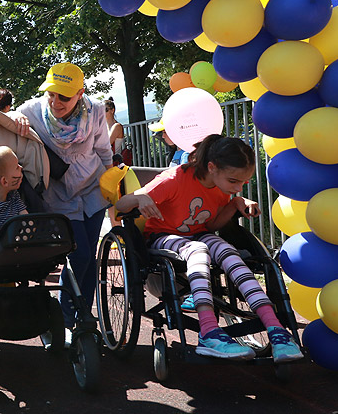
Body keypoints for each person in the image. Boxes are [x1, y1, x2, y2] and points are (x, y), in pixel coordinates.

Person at [114, 135, 303, 363]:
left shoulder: (221, 185)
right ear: (212, 167)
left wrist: (235, 203)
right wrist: (142, 197)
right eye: (234, 181)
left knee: (228, 252)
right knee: (198, 250)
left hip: (199, 235)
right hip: (162, 236)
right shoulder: (174, 179)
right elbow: (120, 205)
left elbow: (212, 225)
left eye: (243, 182)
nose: (237, 187)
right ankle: (209, 332)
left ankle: (275, 329)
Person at [10, 62, 112, 337]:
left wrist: (112, 184)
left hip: (92, 189)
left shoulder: (96, 111)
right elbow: (7, 128)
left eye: (64, 96)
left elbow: (103, 150)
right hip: (57, 193)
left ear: (80, 93)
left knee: (89, 257)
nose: (55, 102)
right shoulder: (30, 111)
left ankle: (83, 316)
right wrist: (16, 121)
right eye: (51, 94)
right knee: (77, 255)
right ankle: (64, 317)